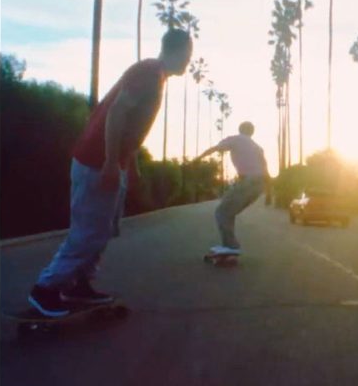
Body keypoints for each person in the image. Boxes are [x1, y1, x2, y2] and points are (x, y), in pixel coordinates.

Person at [29, 29, 193, 316]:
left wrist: (130, 164)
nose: (188, 63)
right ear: (177, 51)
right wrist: (109, 162)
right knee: (89, 230)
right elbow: (117, 112)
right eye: (188, 56)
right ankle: (45, 289)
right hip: (96, 161)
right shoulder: (149, 72)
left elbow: (131, 125)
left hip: (111, 161)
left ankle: (78, 283)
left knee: (104, 228)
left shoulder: (156, 76)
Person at [196, 121, 271, 257]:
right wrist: (269, 193)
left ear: (240, 129)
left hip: (247, 182)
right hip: (259, 186)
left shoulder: (235, 139)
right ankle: (229, 244)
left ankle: (231, 245)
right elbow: (265, 169)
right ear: (252, 132)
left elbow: (215, 149)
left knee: (221, 212)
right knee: (228, 212)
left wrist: (198, 158)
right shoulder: (258, 147)